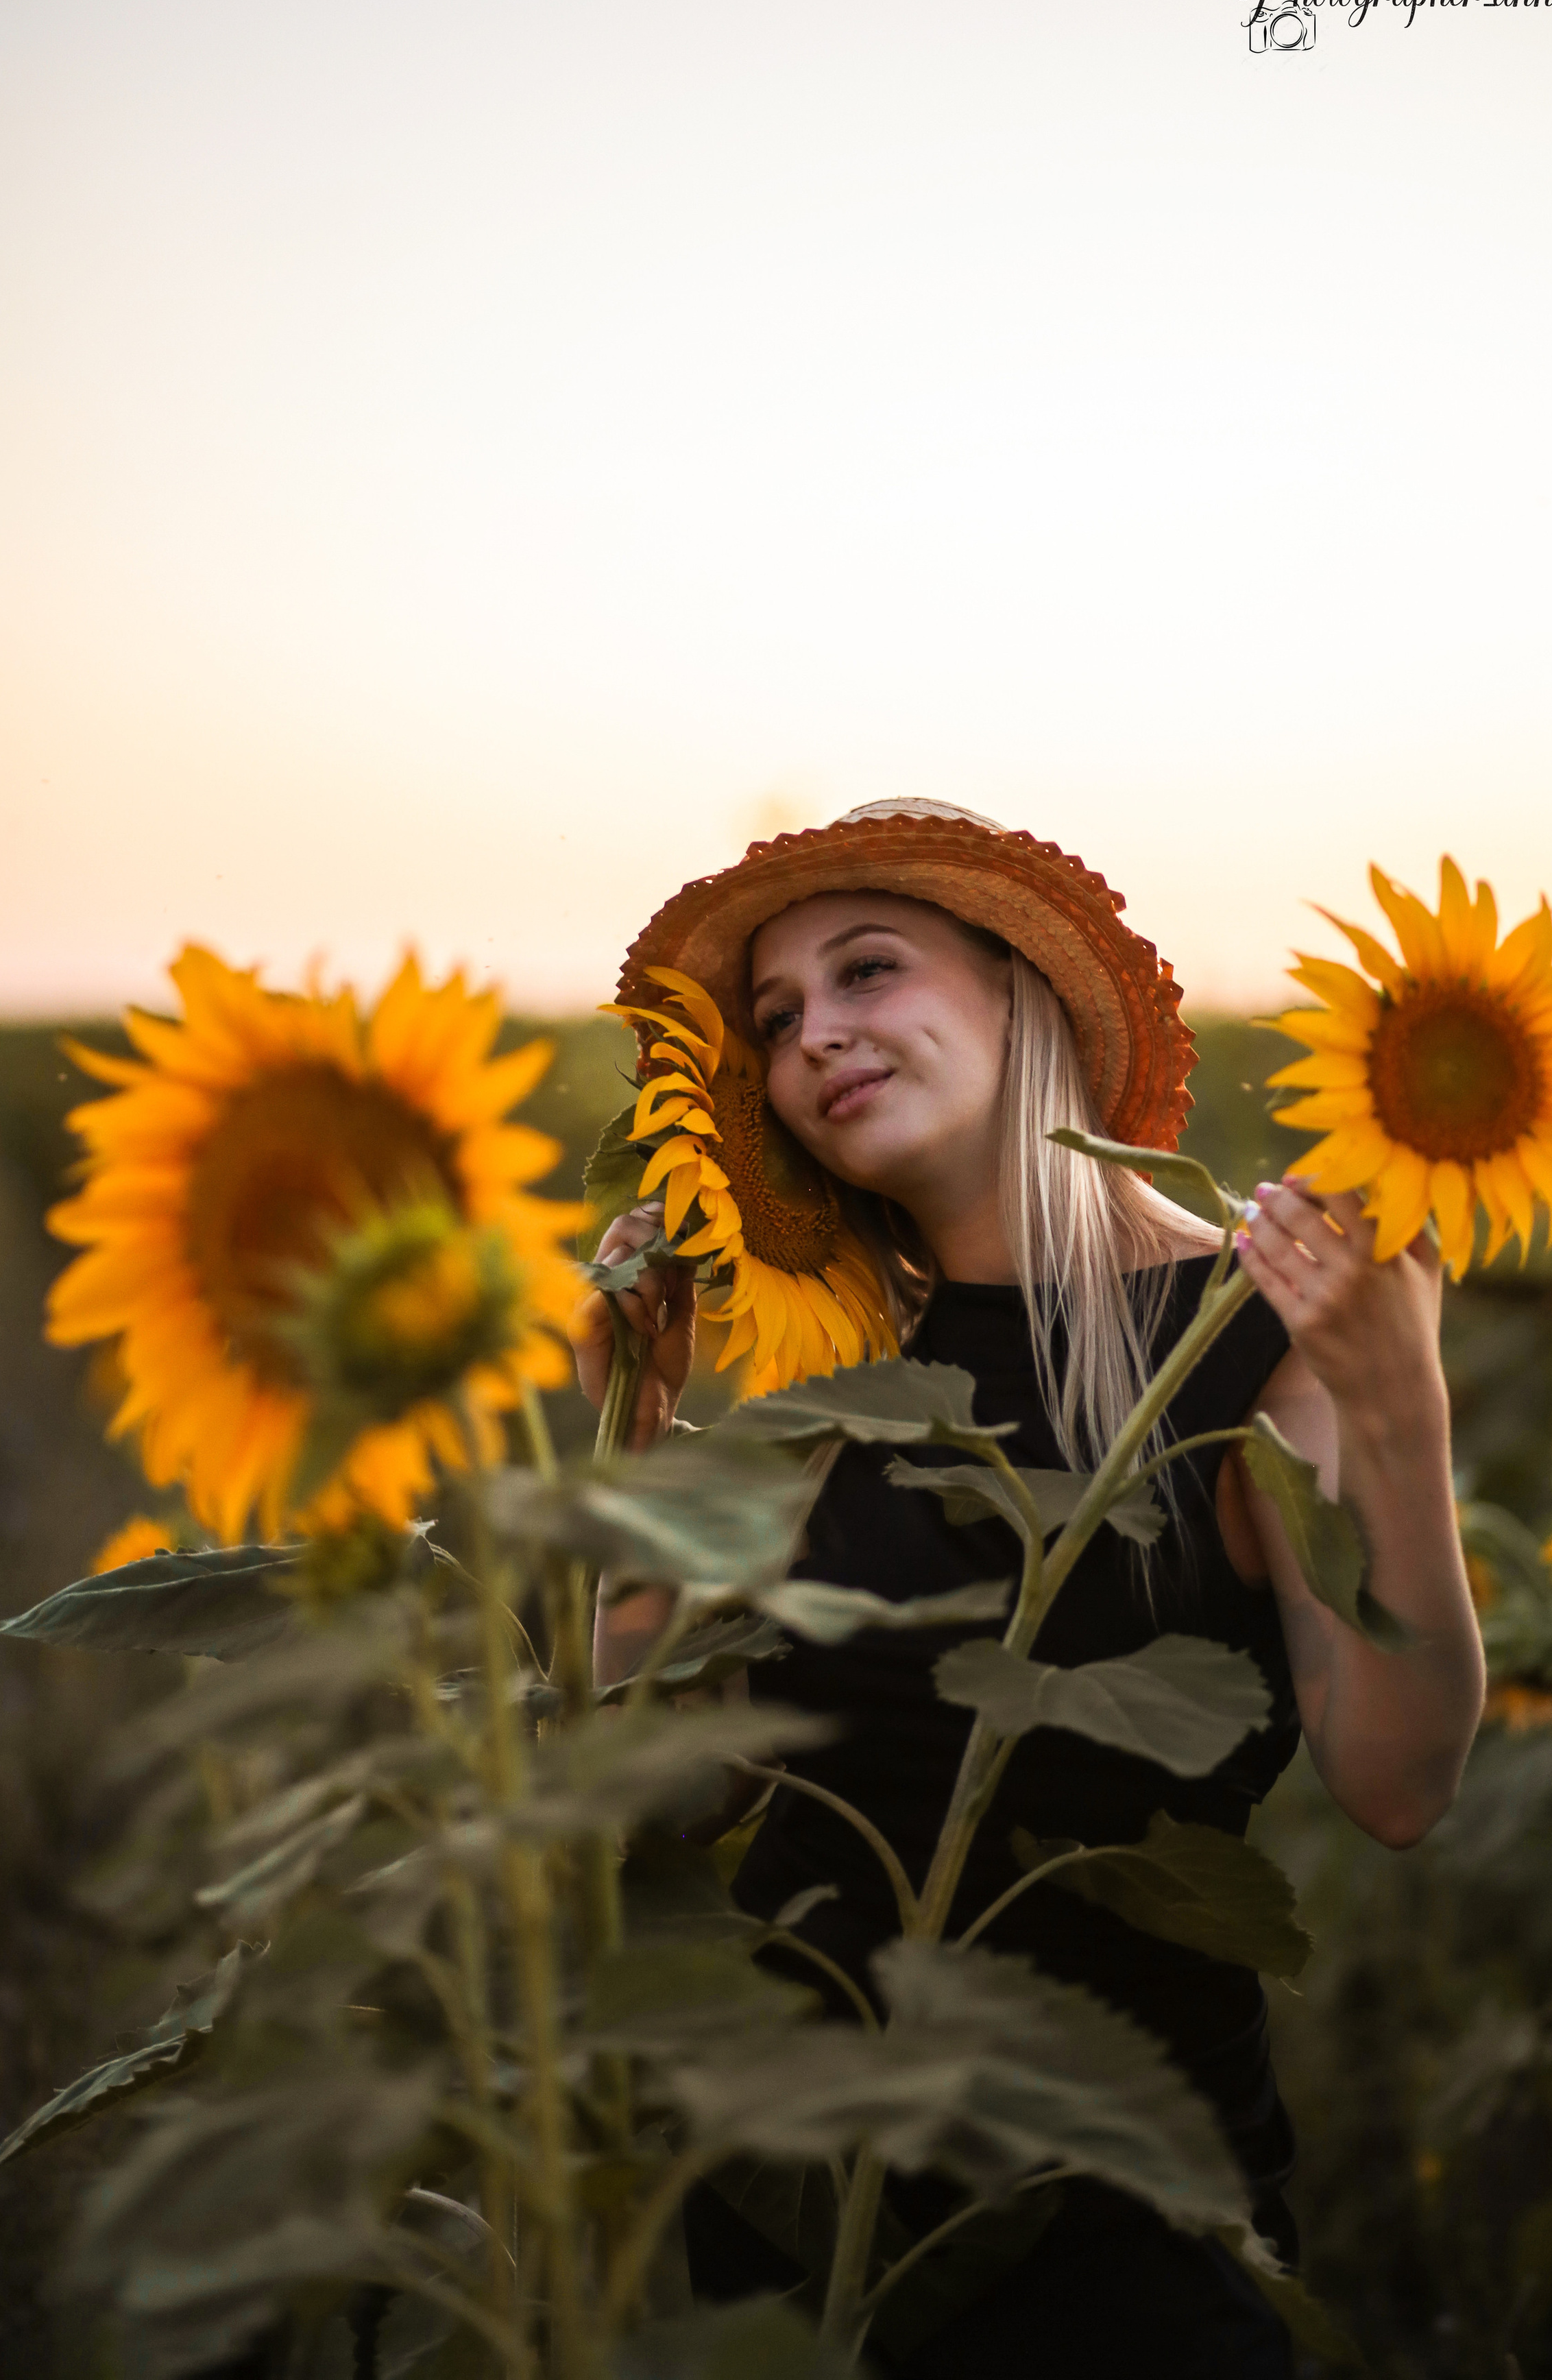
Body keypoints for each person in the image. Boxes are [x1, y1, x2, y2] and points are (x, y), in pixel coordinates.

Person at [574, 800, 1485, 2376]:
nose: (815, 1039)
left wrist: (1399, 1408)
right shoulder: (844, 1380)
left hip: (1115, 2213)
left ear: (1023, 997)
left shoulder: (1254, 1328)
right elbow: (647, 1788)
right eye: (777, 1019)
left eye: (867, 971)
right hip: (791, 2216)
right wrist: (634, 1451)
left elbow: (1394, 1778)